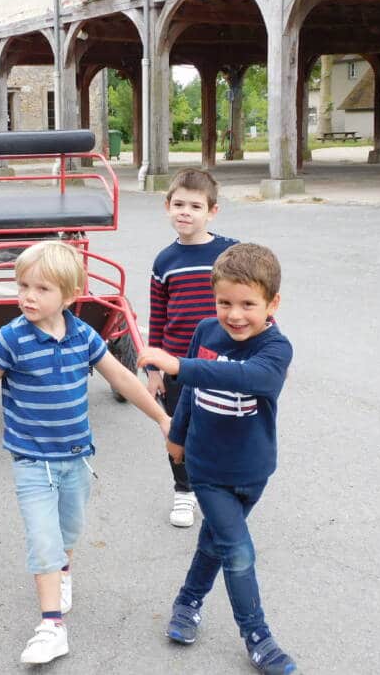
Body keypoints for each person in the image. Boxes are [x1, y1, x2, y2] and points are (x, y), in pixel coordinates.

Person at [0, 241, 171, 665]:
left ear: (70, 296)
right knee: (43, 538)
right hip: (31, 459)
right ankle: (51, 625)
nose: (28, 297)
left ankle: (64, 571)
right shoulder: (11, 338)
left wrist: (164, 420)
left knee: (68, 531)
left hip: (76, 456)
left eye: (41, 289)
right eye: (23, 286)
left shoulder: (84, 336)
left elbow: (124, 379)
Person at [138, 243, 297, 675]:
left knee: (215, 541)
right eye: (225, 302)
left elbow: (254, 379)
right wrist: (177, 433)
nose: (235, 315)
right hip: (206, 468)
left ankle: (187, 601)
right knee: (238, 550)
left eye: (248, 304)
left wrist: (178, 366)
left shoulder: (276, 349)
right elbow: (189, 392)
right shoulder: (206, 331)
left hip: (253, 470)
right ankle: (258, 636)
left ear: (272, 304)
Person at [147, 168, 237, 528]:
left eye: (195, 206)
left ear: (211, 212)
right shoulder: (164, 261)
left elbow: (251, 302)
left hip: (222, 362)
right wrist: (153, 368)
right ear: (167, 206)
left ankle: (217, 489)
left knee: (221, 426)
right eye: (179, 204)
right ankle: (183, 491)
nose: (186, 212)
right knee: (178, 428)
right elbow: (157, 316)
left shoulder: (230, 253)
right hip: (176, 363)